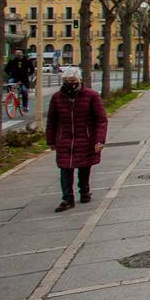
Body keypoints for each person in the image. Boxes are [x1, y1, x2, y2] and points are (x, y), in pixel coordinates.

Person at [45, 66, 107, 212]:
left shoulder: (91, 96)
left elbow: (101, 120)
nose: (69, 83)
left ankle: (84, 191)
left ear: (80, 80)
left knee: (84, 167)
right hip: (64, 139)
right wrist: (51, 140)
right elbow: (52, 120)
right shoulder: (57, 98)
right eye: (66, 80)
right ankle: (67, 198)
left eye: (72, 80)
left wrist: (99, 140)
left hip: (85, 138)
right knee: (65, 169)